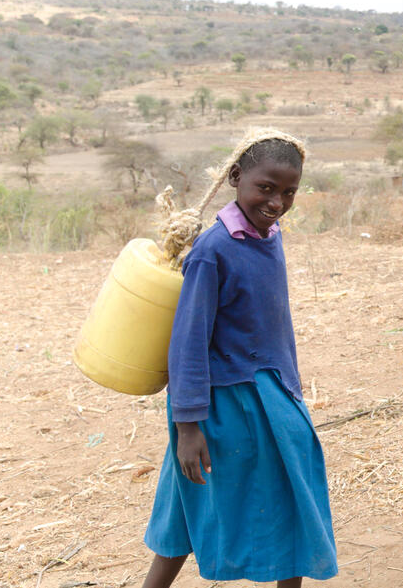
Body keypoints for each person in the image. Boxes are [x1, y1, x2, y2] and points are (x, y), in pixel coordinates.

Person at [141, 130, 338, 588]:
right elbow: (186, 344)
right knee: (198, 506)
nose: (276, 202)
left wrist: (292, 391)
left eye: (289, 192)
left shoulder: (268, 237)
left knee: (276, 498)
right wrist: (187, 427)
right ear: (236, 177)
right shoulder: (213, 252)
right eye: (265, 188)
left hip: (272, 391)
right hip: (225, 405)